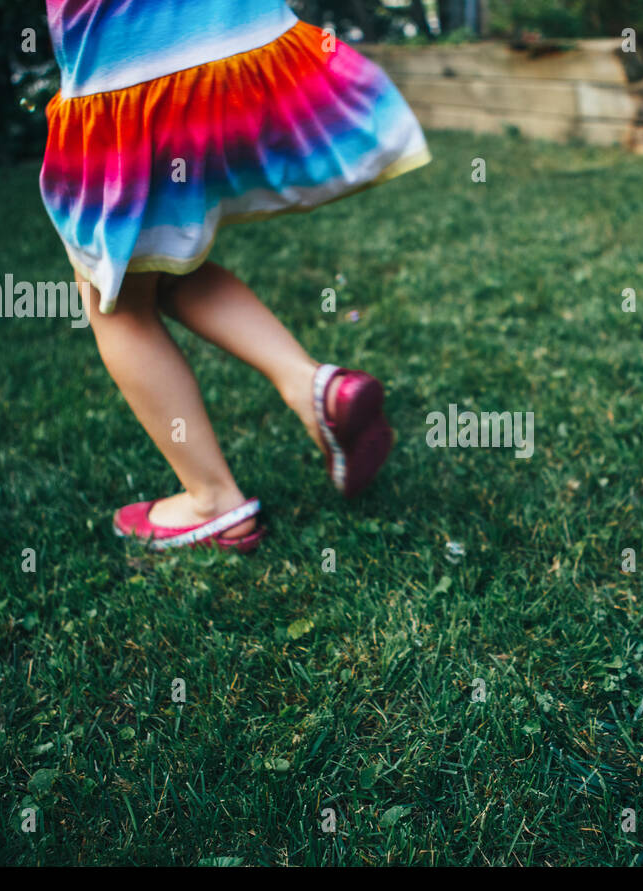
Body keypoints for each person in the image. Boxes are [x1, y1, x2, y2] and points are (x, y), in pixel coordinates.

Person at [38, 0, 431, 552]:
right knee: (162, 267)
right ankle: (311, 386)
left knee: (115, 300)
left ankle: (212, 499)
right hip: (233, 44)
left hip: (127, 69)